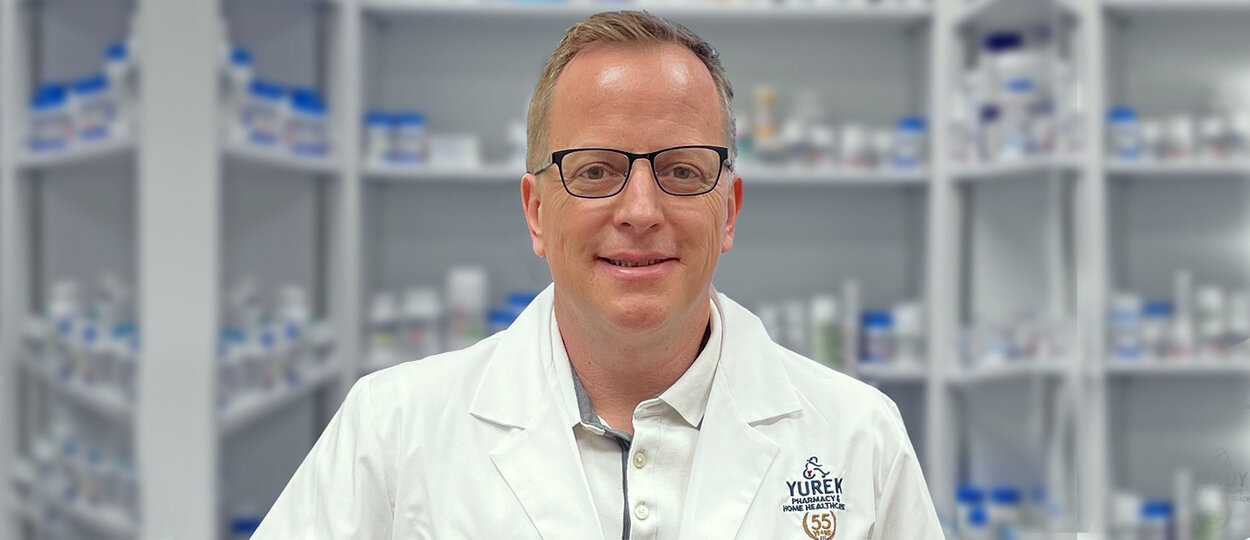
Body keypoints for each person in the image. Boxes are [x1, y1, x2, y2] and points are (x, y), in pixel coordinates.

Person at [255, 10, 943, 539]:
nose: (640, 211)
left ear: (728, 210)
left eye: (681, 170)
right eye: (594, 172)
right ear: (535, 212)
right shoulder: (392, 430)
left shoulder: (857, 436)